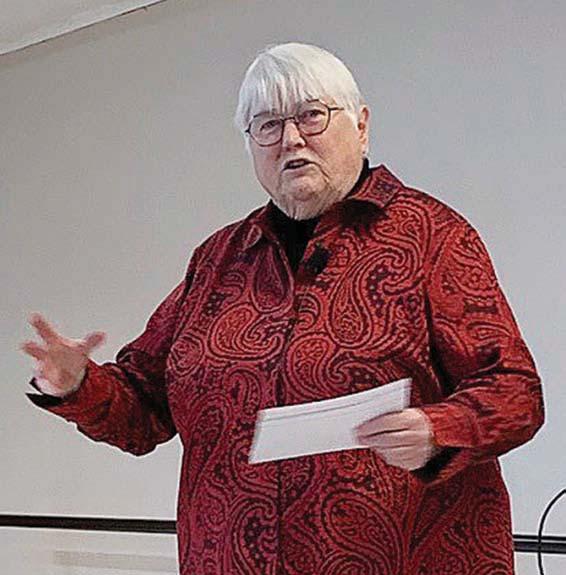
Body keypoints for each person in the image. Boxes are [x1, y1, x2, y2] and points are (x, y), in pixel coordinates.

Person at [22, 43, 544, 575]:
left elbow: (515, 391)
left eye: (312, 116)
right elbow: (143, 411)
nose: (291, 139)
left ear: (361, 126)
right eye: (268, 125)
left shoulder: (430, 235)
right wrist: (76, 384)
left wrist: (438, 430)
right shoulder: (219, 259)